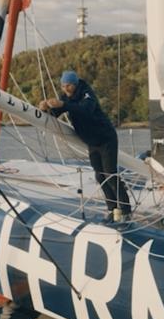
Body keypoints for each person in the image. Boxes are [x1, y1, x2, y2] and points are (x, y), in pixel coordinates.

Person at [40, 71, 131, 222]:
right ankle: (112, 209)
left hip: (106, 138)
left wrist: (64, 104)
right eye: (63, 86)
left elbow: (85, 110)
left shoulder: (87, 93)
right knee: (100, 176)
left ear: (75, 84)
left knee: (110, 175)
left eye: (68, 86)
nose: (65, 89)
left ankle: (126, 210)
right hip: (92, 142)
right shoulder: (66, 97)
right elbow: (56, 113)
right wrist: (45, 108)